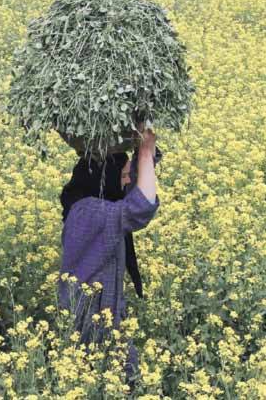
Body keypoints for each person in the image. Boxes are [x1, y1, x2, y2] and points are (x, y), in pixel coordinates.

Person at [58, 127, 161, 379]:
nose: (128, 181)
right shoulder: (89, 213)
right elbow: (140, 207)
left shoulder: (86, 205)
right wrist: (146, 150)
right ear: (105, 177)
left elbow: (136, 191)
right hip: (89, 316)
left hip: (102, 313)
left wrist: (143, 151)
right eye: (124, 175)